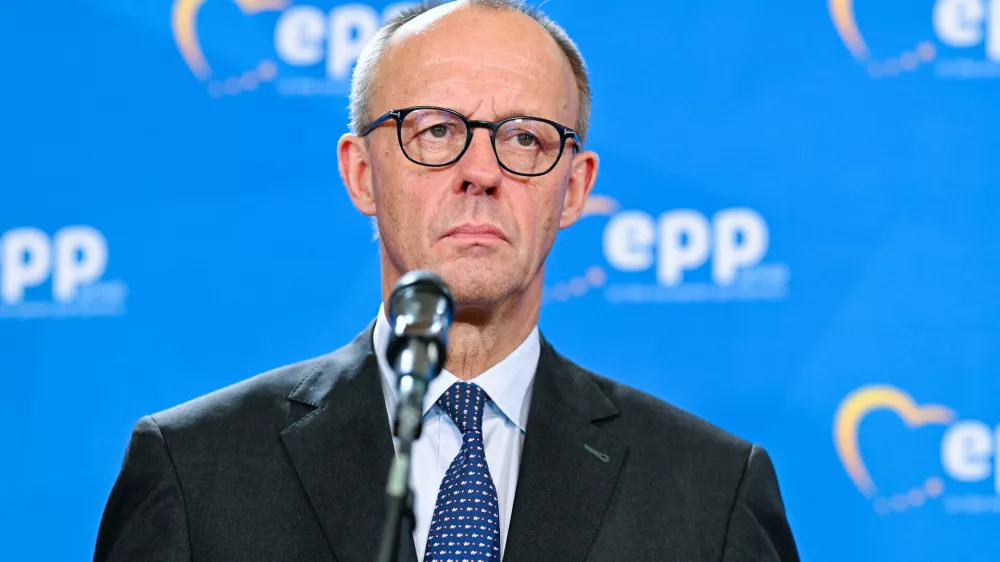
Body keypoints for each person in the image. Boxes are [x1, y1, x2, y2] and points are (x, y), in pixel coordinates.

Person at [94, 1, 800, 561]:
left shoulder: (709, 492)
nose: (481, 171)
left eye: (525, 138)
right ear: (361, 173)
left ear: (575, 189)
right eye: (434, 130)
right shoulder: (195, 470)